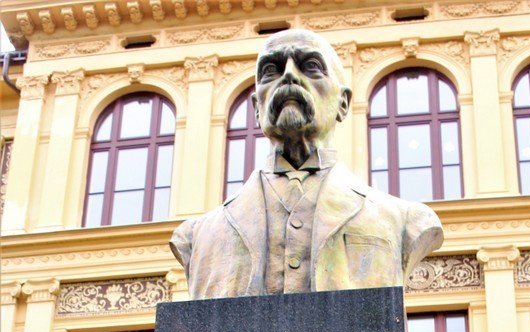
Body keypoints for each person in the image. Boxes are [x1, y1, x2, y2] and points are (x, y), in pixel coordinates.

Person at [170, 28, 443, 298]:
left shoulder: (404, 220)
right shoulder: (197, 236)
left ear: (343, 103)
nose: (289, 75)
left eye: (310, 66)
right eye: (271, 70)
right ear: (256, 107)